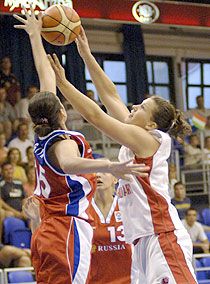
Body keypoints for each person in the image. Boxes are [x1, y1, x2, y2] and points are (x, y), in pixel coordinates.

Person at [48, 27, 198, 283]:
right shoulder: (136, 133)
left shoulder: (149, 139)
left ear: (151, 124)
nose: (134, 106)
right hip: (140, 242)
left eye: (142, 107)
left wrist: (63, 84)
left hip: (162, 236)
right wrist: (86, 55)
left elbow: (96, 116)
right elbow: (110, 95)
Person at [14, 7, 148, 284]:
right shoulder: (61, 140)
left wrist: (35, 37)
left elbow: (46, 78)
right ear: (61, 112)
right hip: (66, 227)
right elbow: (68, 163)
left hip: (49, 229)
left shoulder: (43, 137)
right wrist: (111, 165)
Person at [89, 167, 133, 284]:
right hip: (93, 280)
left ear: (115, 179)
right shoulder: (83, 210)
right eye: (95, 172)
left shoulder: (127, 207)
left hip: (129, 279)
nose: (98, 175)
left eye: (103, 171)